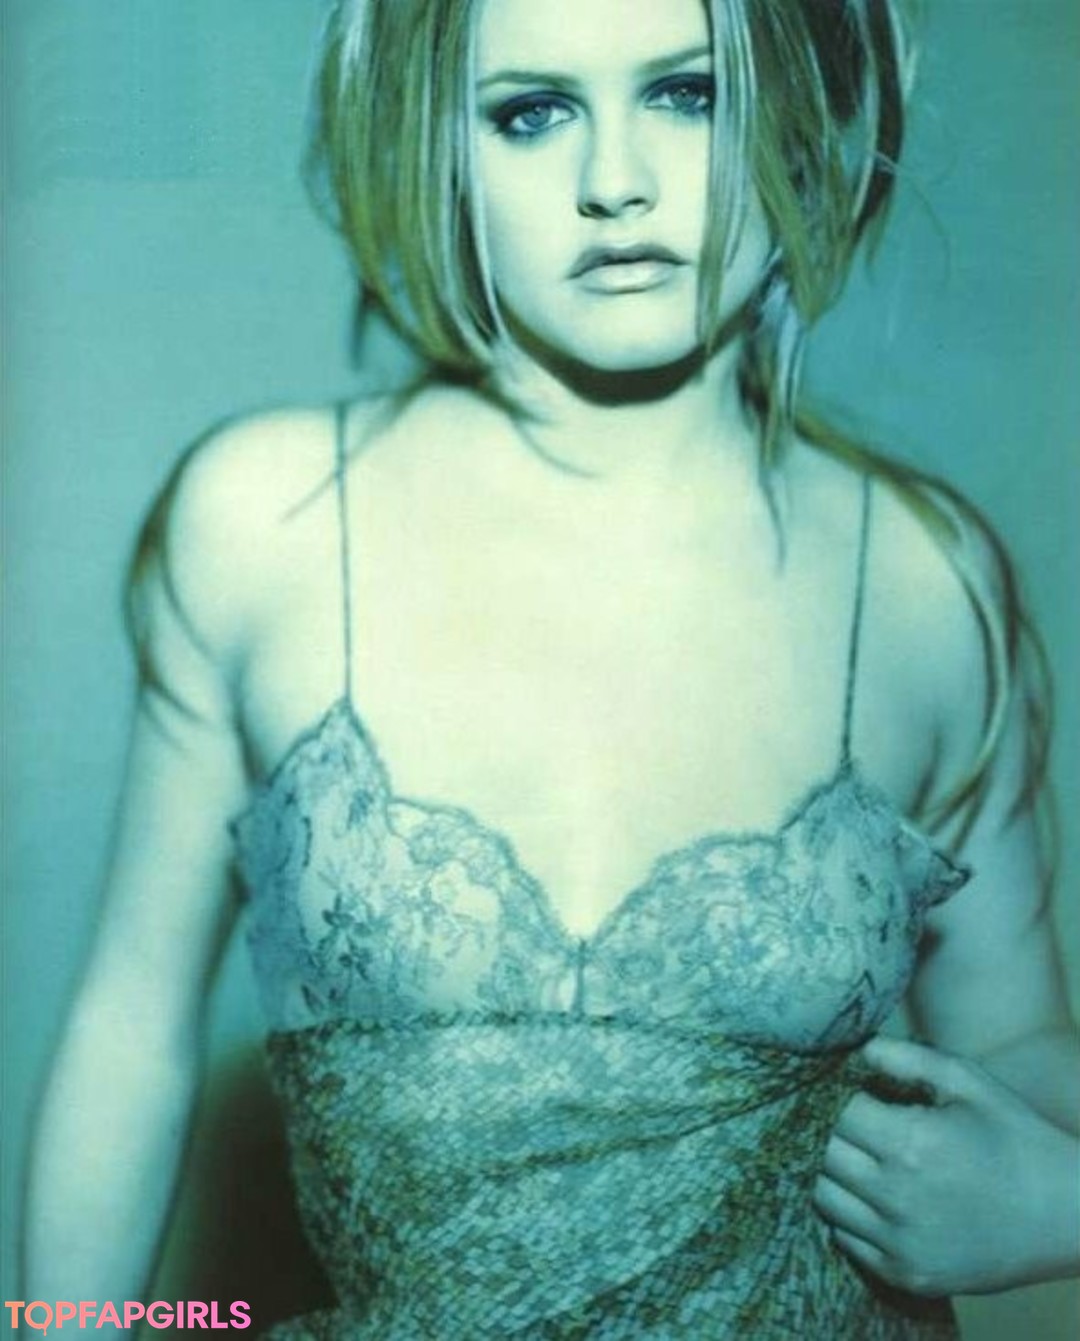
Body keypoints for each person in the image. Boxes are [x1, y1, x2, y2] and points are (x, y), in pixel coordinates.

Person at [23, 0, 1079, 1335]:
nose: (614, 180)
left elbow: (1019, 1043)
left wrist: (1066, 1204)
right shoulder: (266, 527)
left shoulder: (928, 581)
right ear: (437, 144)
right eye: (532, 111)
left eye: (690, 94)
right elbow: (131, 1031)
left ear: (805, 106)